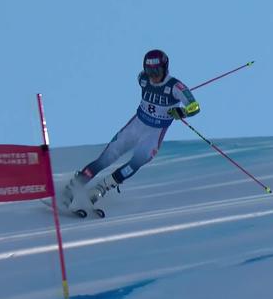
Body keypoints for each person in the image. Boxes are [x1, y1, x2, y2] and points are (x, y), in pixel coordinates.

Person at [62, 49, 200, 207]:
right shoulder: (143, 78)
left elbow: (195, 106)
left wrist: (182, 111)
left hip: (153, 135)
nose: (153, 76)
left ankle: (101, 188)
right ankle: (71, 190)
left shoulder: (176, 86)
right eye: (150, 71)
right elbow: (147, 80)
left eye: (157, 71)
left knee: (137, 162)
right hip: (135, 127)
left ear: (165, 68)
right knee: (105, 159)